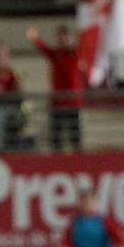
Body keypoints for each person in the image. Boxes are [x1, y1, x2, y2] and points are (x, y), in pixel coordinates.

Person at [28, 24, 85, 152]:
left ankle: (79, 160)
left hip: (73, 103)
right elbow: (43, 48)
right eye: (60, 38)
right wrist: (35, 38)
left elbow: (85, 43)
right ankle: (57, 160)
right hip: (57, 104)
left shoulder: (75, 54)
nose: (62, 40)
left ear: (68, 38)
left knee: (75, 137)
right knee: (56, 137)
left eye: (64, 37)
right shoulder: (55, 55)